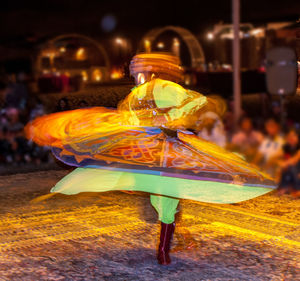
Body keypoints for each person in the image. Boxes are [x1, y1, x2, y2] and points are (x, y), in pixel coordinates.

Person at [26, 53, 275, 266]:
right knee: (164, 195)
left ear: (149, 70)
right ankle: (169, 244)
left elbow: (195, 102)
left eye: (138, 68)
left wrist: (170, 119)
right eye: (133, 68)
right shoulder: (135, 95)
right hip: (149, 150)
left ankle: (166, 248)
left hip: (164, 148)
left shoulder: (162, 88)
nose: (134, 72)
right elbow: (135, 120)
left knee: (165, 195)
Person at [277, 129, 300, 196]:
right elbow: (276, 157)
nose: (291, 138)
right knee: (287, 169)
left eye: (293, 136)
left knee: (290, 167)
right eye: (289, 136)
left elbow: (295, 159)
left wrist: (284, 164)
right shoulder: (286, 148)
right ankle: (286, 188)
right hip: (291, 173)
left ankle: (294, 189)